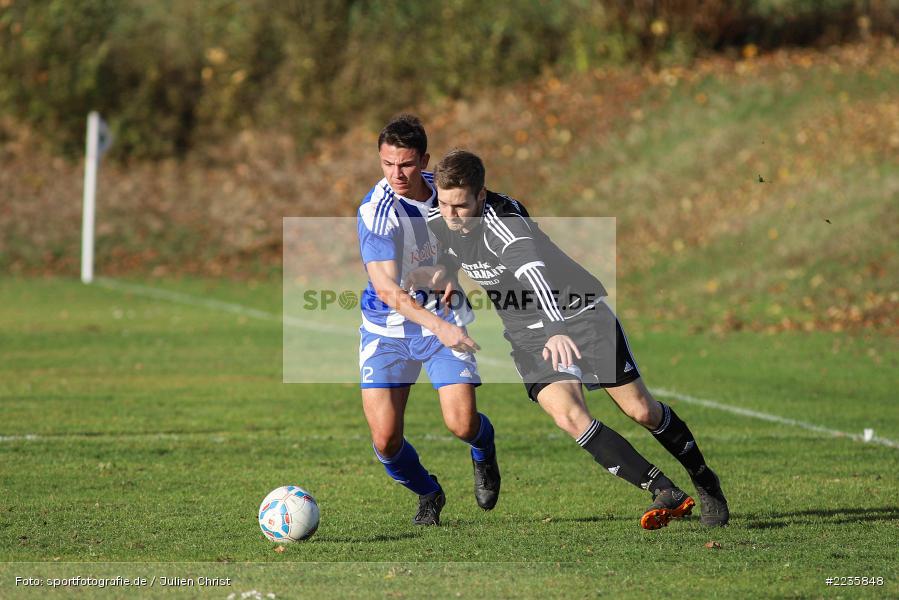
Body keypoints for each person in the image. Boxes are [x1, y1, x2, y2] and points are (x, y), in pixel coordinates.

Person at [413, 149, 728, 529]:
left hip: (578, 314)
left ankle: (704, 478)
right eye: (444, 204)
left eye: (460, 206)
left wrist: (556, 328)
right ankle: (664, 490)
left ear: (481, 196)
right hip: (525, 332)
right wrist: (447, 270)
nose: (450, 214)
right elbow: (450, 248)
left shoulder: (505, 224)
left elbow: (536, 277)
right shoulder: (442, 215)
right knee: (568, 415)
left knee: (641, 410)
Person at [356, 117, 501, 526]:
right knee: (385, 440)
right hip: (387, 329)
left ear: (424, 159)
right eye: (386, 164)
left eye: (404, 164)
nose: (395, 174)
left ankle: (483, 449)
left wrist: (450, 272)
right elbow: (387, 289)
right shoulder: (377, 211)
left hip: (442, 317)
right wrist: (440, 326)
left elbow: (479, 233)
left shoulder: (448, 191)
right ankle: (428, 492)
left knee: (462, 424)